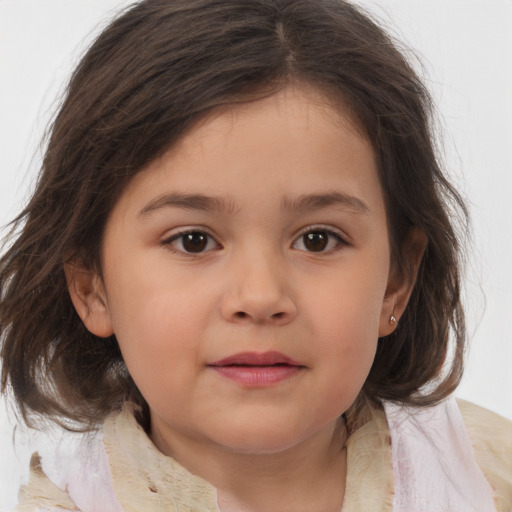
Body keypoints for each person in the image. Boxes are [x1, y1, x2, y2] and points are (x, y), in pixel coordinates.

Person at [0, 0, 510, 510]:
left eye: (318, 239)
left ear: (397, 278)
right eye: (193, 240)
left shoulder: (489, 475)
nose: (261, 297)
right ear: (92, 284)